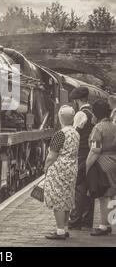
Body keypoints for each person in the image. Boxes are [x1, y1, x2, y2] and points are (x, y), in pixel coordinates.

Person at [44, 105, 80, 240]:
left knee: (58, 200)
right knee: (66, 198)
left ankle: (59, 231)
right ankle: (64, 229)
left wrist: (46, 167)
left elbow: (52, 155)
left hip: (59, 169)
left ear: (60, 118)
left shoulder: (60, 134)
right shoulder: (76, 133)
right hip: (72, 169)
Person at [86, 99, 116, 236]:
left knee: (104, 196)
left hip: (103, 163)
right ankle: (110, 223)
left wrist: (87, 166)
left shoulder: (98, 127)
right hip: (114, 160)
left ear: (96, 113)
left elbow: (95, 150)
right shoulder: (114, 126)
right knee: (112, 194)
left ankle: (104, 226)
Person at [69, 86, 95, 230]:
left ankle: (75, 220)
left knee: (79, 187)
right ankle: (87, 220)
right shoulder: (92, 113)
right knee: (88, 187)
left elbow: (74, 134)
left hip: (81, 153)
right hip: (90, 153)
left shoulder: (80, 114)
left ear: (78, 100)